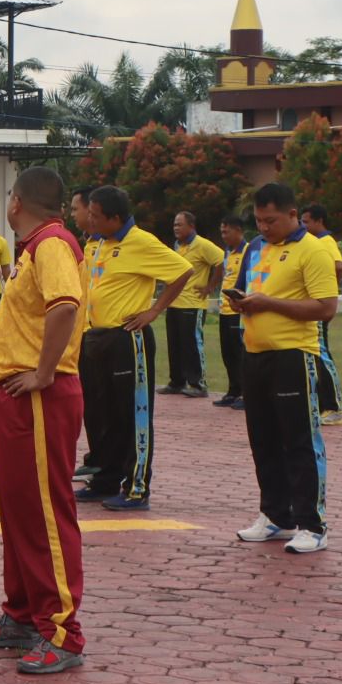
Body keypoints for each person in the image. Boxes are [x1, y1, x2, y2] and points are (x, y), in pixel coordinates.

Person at [0, 166, 87, 676]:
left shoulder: (52, 243)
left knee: (43, 510)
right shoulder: (34, 247)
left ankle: (61, 632)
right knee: (18, 508)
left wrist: (42, 372)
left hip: (39, 394)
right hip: (17, 394)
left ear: (17, 202)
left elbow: (65, 307)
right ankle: (23, 614)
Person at [228, 182, 337, 554]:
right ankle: (275, 515)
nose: (263, 228)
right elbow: (248, 293)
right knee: (264, 439)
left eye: (270, 220)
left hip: (294, 355)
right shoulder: (255, 249)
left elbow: (325, 307)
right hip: (254, 352)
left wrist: (269, 303)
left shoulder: (314, 250)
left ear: (293, 214)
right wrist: (242, 303)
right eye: (258, 221)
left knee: (300, 441)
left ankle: (312, 524)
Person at [76, 186, 191, 510]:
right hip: (95, 337)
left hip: (127, 339)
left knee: (132, 415)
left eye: (96, 216)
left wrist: (154, 310)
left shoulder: (140, 242)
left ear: (115, 217)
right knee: (101, 415)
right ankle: (104, 479)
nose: (90, 220)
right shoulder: (96, 242)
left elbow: (183, 271)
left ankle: (137, 487)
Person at [162, 211, 224, 399]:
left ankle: (198, 384)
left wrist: (210, 287)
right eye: (174, 225)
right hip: (174, 302)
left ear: (191, 226)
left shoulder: (202, 245)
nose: (176, 228)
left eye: (180, 224)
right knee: (175, 344)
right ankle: (177, 382)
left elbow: (222, 261)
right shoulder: (177, 246)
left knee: (192, 344)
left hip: (193, 304)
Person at [70, 188, 105, 480]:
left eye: (76, 209)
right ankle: (95, 457)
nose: (75, 215)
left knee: (103, 404)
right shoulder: (90, 244)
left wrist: (151, 312)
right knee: (91, 402)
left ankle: (105, 462)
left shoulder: (117, 243)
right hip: (85, 333)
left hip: (105, 336)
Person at [301, 203, 342, 425]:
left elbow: (338, 265)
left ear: (319, 221)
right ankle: (322, 403)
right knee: (316, 356)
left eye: (306, 221)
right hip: (312, 308)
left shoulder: (325, 242)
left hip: (320, 308)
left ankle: (333, 406)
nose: (303, 226)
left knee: (323, 355)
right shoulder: (312, 243)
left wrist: (330, 290)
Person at [213, 215, 249, 410]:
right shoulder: (227, 252)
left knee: (240, 354)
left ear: (238, 230)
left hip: (239, 311)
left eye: (226, 232)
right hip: (224, 311)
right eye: (221, 232)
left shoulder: (248, 251)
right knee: (228, 354)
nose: (223, 235)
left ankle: (246, 392)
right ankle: (233, 391)